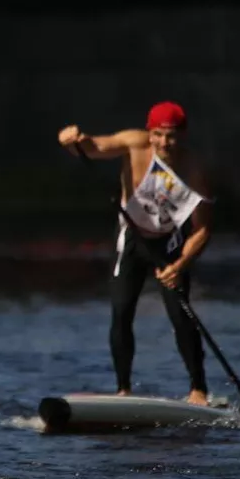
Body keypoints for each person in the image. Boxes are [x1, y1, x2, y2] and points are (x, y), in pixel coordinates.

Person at [57, 101, 213, 406]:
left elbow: (203, 229)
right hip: (131, 238)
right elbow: (94, 147)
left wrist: (179, 266)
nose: (163, 143)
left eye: (171, 136)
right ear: (149, 131)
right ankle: (123, 390)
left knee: (181, 315)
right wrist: (73, 141)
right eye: (158, 134)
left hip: (170, 243)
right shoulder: (134, 143)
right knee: (121, 310)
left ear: (181, 135)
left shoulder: (194, 168)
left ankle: (198, 390)